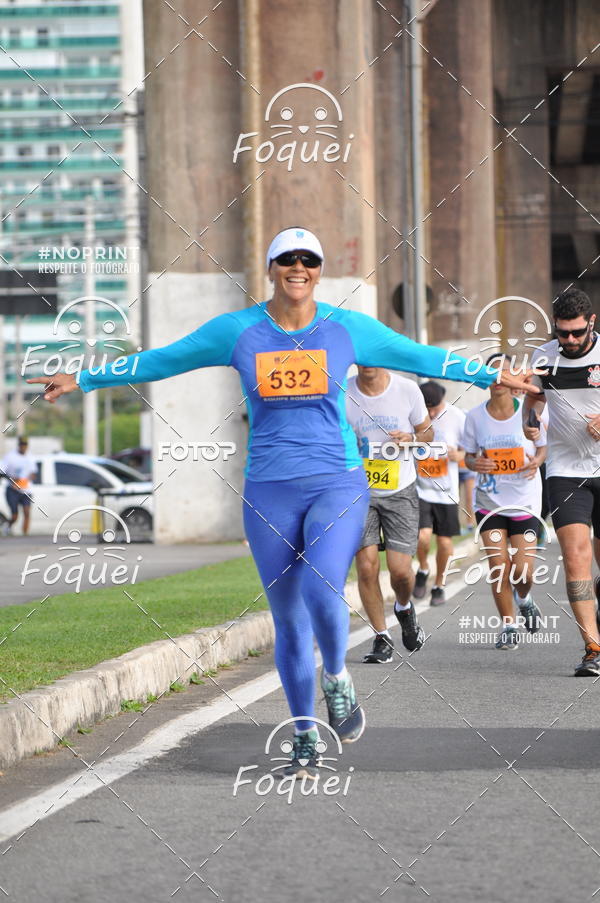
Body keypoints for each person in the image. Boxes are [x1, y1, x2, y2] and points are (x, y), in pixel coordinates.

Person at [28, 227, 537, 778]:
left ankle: (336, 676)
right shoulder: (237, 331)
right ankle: (303, 735)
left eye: (309, 259)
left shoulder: (346, 329)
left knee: (321, 584)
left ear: (318, 270)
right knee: (289, 620)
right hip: (269, 489)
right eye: (287, 259)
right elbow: (163, 360)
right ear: (271, 268)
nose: (299, 267)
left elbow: (421, 356)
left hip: (336, 481)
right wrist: (84, 378)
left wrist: (491, 373)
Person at [524, 287, 600, 676]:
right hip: (566, 470)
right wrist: (530, 418)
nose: (569, 340)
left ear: (592, 323)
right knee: (575, 557)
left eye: (576, 332)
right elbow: (535, 397)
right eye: (562, 332)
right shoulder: (543, 356)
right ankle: (592, 647)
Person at [346, 366, 430, 663]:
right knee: (367, 567)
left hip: (400, 490)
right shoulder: (343, 392)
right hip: (359, 492)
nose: (368, 363)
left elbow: (428, 433)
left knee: (400, 572)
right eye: (362, 357)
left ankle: (404, 608)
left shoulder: (407, 389)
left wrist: (412, 438)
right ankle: (381, 636)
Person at [463, 354, 545, 649]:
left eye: (504, 372)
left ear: (514, 378)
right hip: (489, 502)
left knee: (522, 571)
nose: (498, 378)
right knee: (498, 565)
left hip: (524, 501)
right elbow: (468, 457)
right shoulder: (474, 416)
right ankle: (508, 625)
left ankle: (524, 598)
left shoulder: (528, 410)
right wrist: (476, 464)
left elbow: (543, 447)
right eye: (492, 372)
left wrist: (536, 461)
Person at [413, 381, 465, 606]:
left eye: (435, 409)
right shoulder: (414, 416)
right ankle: (423, 568)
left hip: (447, 492)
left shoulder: (457, 417)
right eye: (428, 410)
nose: (432, 414)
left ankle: (439, 585)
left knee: (444, 543)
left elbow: (471, 449)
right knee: (422, 537)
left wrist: (459, 456)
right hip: (421, 489)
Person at [0, 436, 37, 536]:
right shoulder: (10, 456)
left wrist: (29, 477)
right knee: (15, 516)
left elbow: (33, 472)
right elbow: (1, 471)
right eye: (22, 445)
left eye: (25, 445)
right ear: (19, 445)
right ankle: (7, 526)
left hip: (26, 490)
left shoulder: (31, 457)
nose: (23, 447)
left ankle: (25, 534)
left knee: (27, 512)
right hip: (13, 490)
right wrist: (12, 479)